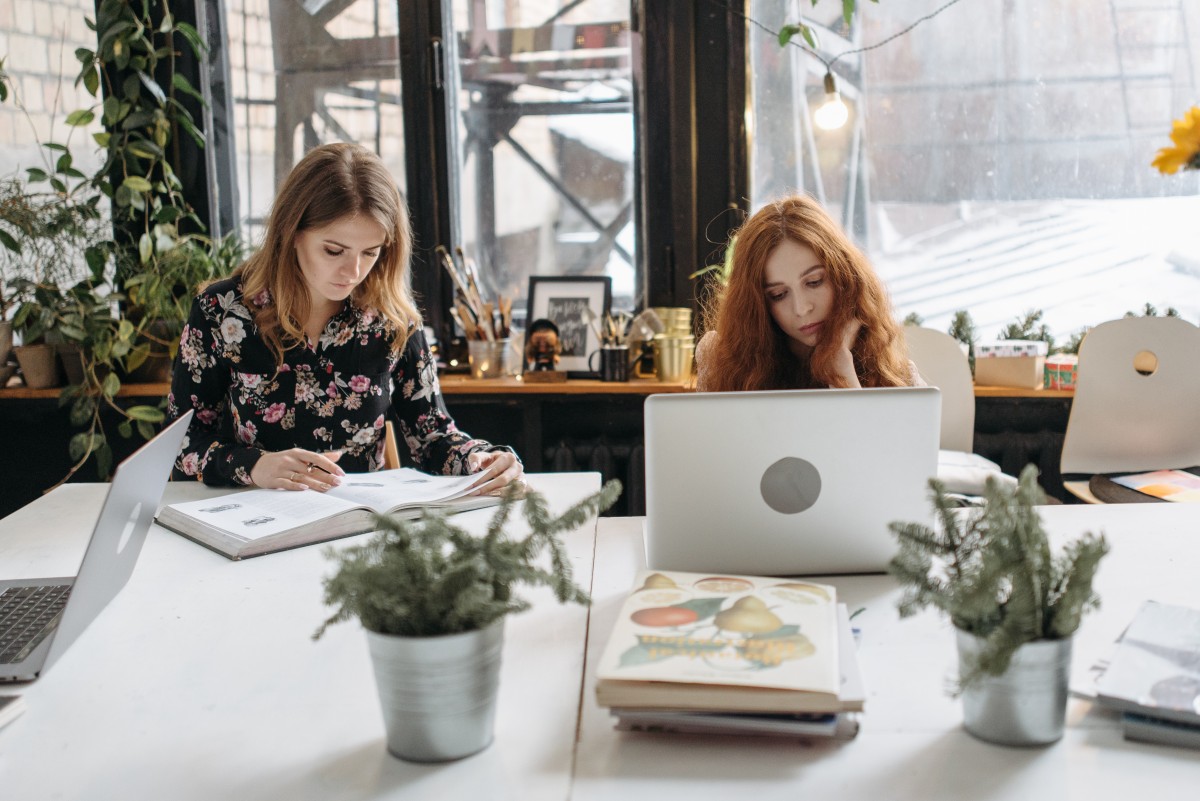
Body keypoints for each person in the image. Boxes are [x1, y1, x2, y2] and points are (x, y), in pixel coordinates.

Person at [167, 142, 522, 494]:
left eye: (370, 252)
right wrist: (255, 465)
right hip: (252, 521)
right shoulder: (222, 311)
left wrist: (483, 459)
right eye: (333, 250)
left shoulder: (392, 321)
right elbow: (182, 445)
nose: (353, 271)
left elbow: (432, 436)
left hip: (362, 527)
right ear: (292, 234)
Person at [696, 194, 920, 392]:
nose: (802, 308)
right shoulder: (721, 358)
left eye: (814, 282)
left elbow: (885, 441)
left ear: (844, 276)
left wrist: (841, 372)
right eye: (778, 295)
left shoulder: (891, 368)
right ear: (758, 304)